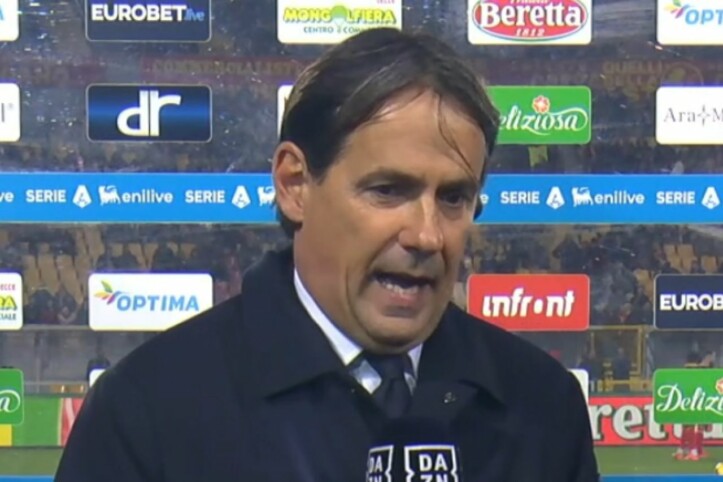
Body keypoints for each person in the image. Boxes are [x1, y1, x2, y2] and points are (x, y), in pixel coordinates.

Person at [56, 28, 598, 482]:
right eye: (388, 190)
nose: (427, 236)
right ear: (295, 184)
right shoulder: (146, 412)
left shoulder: (544, 405)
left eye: (453, 198)